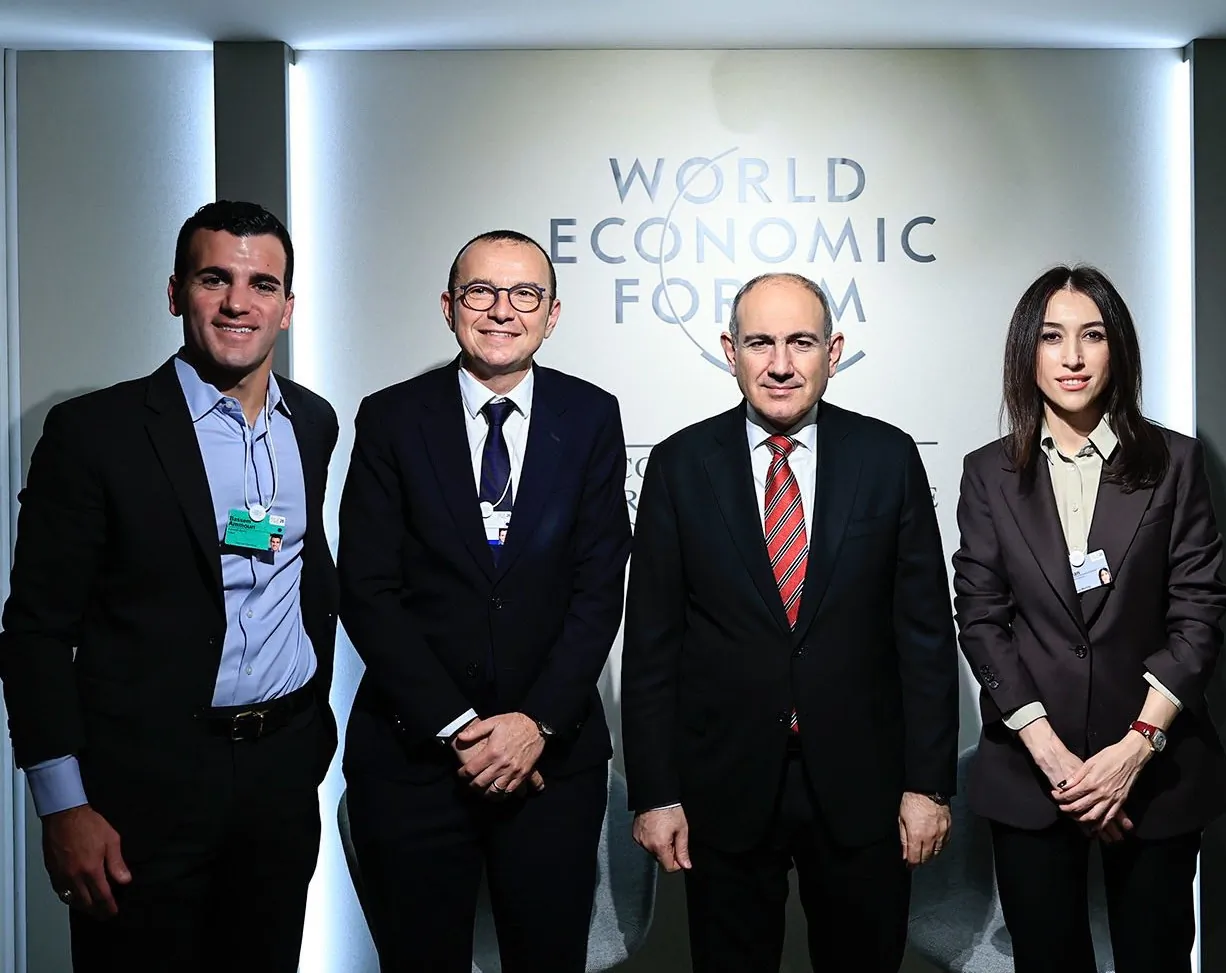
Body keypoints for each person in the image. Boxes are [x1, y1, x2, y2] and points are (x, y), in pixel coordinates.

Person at [0, 200, 340, 970]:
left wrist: (308, 748)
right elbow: (36, 631)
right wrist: (62, 803)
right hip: (143, 792)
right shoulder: (95, 433)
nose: (237, 302)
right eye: (214, 278)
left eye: (262, 284)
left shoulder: (313, 424)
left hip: (280, 779)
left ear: (288, 306)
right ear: (175, 292)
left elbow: (299, 573)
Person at [622, 272, 959, 972]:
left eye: (801, 342)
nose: (780, 364)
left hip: (865, 788)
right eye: (760, 343)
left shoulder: (888, 457)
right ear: (730, 351)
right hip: (724, 786)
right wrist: (655, 793)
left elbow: (925, 637)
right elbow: (653, 645)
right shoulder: (679, 465)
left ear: (833, 351)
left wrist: (928, 785)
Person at [338, 230, 630, 972]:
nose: (503, 310)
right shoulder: (390, 417)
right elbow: (367, 588)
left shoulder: (591, 415)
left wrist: (535, 722)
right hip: (414, 758)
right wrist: (459, 726)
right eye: (481, 292)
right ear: (449, 306)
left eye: (525, 294)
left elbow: (600, 587)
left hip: (550, 764)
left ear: (552, 314)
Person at [952, 265, 1226, 973]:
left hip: (1155, 768)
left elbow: (1199, 610)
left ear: (1120, 350)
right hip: (1032, 770)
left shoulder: (1175, 461)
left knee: (1156, 958)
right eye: (1052, 337)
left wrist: (1135, 749)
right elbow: (982, 618)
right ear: (1027, 351)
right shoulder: (988, 472)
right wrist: (1055, 758)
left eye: (1093, 335)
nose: (1073, 357)